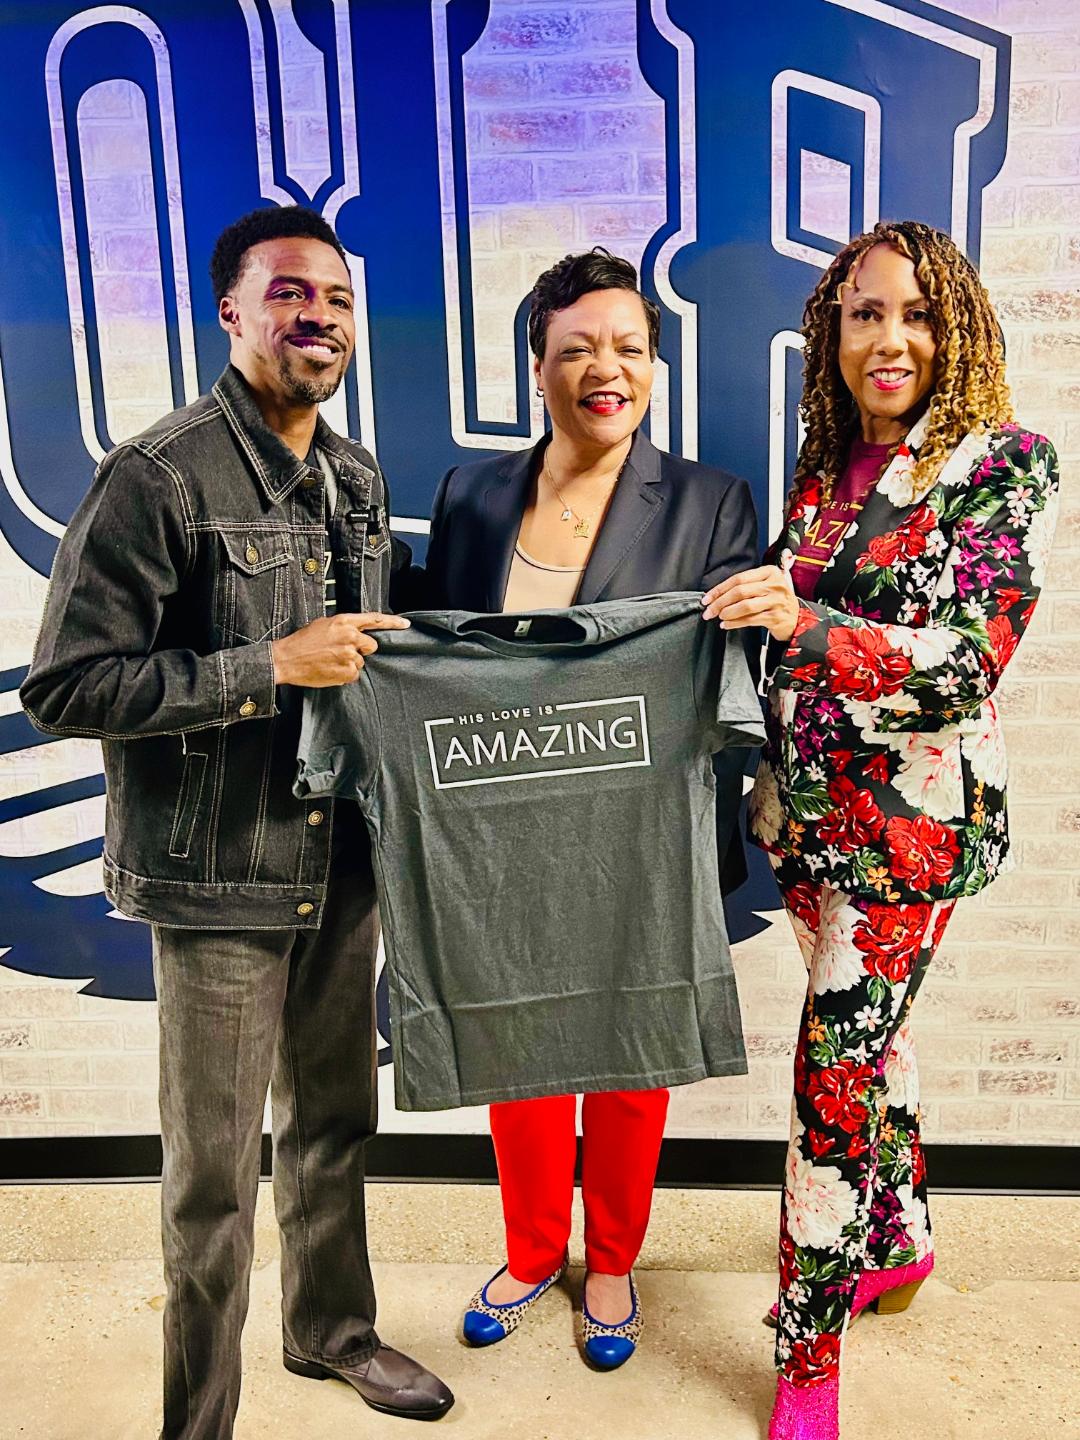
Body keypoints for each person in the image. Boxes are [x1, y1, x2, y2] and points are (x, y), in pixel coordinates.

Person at [21, 206, 454, 1436]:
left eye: (336, 298)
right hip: (216, 875)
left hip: (341, 863)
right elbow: (67, 686)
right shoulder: (158, 475)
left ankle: (332, 1333)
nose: (318, 317)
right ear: (231, 312)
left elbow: (369, 667)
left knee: (334, 1124)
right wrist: (267, 665)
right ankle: (198, 1417)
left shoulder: (358, 479)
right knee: (213, 1176)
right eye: (288, 294)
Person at [702, 220, 1059, 1440]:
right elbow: (779, 622)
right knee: (873, 1040)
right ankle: (898, 1236)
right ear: (833, 334)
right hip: (805, 825)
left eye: (916, 313)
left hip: (908, 840)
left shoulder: (1007, 463)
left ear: (957, 325)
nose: (890, 338)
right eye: (865, 314)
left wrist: (798, 624)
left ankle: (808, 1350)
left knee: (832, 1077)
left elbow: (965, 665)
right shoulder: (822, 467)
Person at [419, 247, 760, 1368]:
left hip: (643, 833)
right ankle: (530, 1251)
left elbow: (732, 671)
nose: (605, 370)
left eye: (628, 348)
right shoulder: (472, 495)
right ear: (539, 367)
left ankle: (611, 1262)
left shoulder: (711, 501)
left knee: (630, 1056)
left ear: (654, 364)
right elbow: (439, 657)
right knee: (514, 1044)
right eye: (577, 350)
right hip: (498, 829)